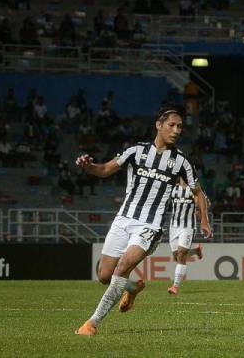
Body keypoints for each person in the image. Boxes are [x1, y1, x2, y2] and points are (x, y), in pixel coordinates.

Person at [74, 106, 213, 336]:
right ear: (159, 125)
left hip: (150, 225)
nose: (177, 130)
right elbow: (106, 169)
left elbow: (198, 192)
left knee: (123, 266)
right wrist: (89, 167)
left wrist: (204, 220)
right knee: (104, 276)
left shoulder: (181, 162)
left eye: (180, 127)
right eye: (172, 125)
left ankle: (92, 323)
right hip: (123, 219)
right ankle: (133, 288)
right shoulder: (136, 151)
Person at [167, 178, 211, 295]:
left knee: (181, 254)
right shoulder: (172, 187)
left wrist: (200, 213)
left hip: (188, 226)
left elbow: (207, 203)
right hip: (173, 226)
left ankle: (175, 286)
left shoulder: (194, 189)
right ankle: (196, 251)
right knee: (176, 256)